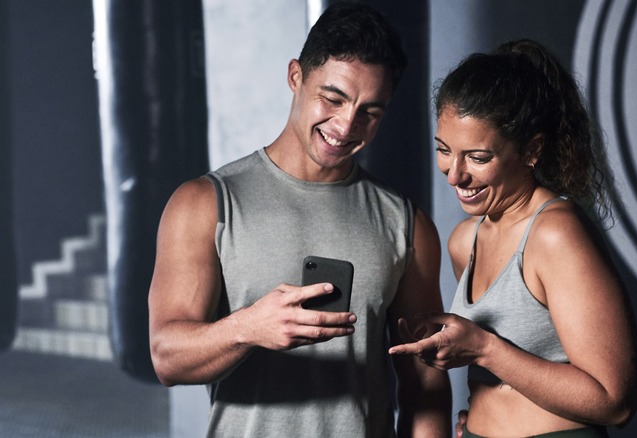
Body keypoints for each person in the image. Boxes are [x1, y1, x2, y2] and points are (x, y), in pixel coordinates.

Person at [147, 3, 452, 437]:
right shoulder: (204, 204)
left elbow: (425, 385)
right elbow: (166, 358)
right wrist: (248, 328)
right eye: (333, 98)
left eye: (370, 111)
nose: (347, 125)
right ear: (296, 76)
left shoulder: (406, 223)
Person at [389, 39, 637, 437]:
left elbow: (614, 401)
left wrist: (485, 348)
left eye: (477, 157)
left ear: (531, 151)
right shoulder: (464, 241)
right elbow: (498, 384)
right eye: (444, 150)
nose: (454, 175)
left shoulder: (554, 233)